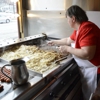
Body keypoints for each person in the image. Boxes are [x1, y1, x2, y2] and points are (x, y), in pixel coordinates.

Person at [48, 5, 100, 100]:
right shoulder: (79, 29)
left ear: (73, 18)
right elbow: (68, 40)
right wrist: (54, 42)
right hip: (89, 70)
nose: (67, 21)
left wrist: (68, 49)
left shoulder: (87, 28)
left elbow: (87, 54)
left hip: (96, 72)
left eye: (67, 18)